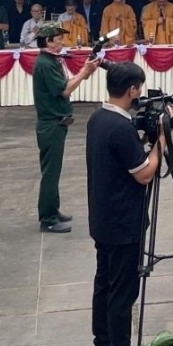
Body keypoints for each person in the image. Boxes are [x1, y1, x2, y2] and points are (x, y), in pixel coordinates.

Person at [86, 62, 170, 346]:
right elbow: (145, 174)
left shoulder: (98, 118)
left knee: (104, 284)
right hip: (123, 223)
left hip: (103, 218)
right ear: (133, 90)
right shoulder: (121, 129)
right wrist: (160, 142)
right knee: (123, 292)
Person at [32, 23, 100, 234]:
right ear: (49, 41)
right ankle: (48, 218)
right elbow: (64, 90)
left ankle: (53, 209)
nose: (62, 41)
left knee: (54, 171)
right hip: (51, 123)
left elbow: (68, 85)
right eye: (59, 38)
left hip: (55, 123)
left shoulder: (49, 61)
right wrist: (83, 72)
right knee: (51, 173)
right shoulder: (45, 64)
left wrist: (84, 72)